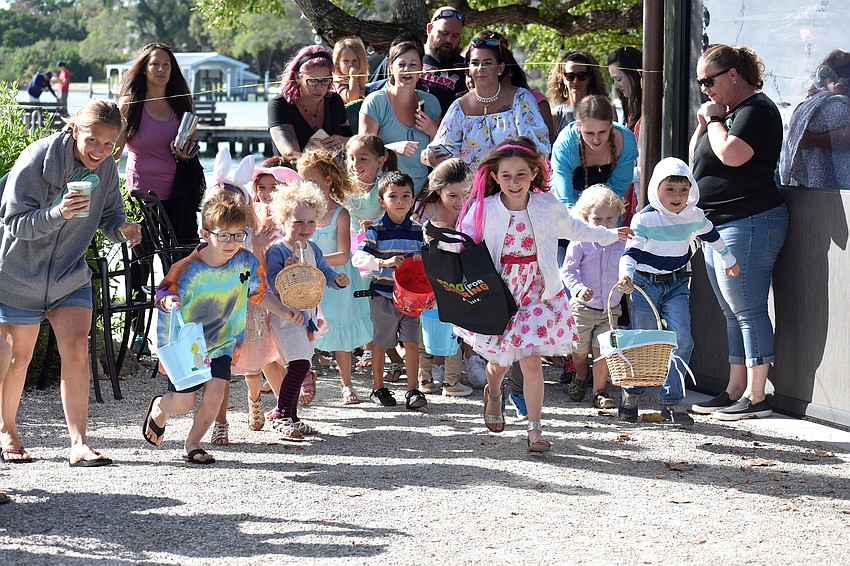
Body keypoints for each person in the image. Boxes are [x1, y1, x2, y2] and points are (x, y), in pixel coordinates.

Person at [455, 137, 632, 452]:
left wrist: (608, 234)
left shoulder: (546, 205)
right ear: (494, 176)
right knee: (499, 362)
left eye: (521, 174)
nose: (514, 182)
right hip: (501, 293)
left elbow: (575, 229)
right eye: (506, 175)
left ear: (534, 173)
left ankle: (534, 431)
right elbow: (462, 243)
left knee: (532, 361)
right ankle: (494, 390)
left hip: (538, 291)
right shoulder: (484, 209)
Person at [0, 100, 142, 467]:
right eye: (94, 140)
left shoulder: (107, 166)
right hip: (17, 274)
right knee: (18, 359)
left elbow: (110, 214)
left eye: (109, 145)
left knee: (79, 345)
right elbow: (14, 222)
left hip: (68, 274)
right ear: (75, 130)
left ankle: (79, 444)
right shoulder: (37, 159)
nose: (100, 151)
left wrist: (122, 230)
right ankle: (8, 432)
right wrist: (57, 214)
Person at [145, 193, 302, 463]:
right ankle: (160, 407)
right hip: (187, 344)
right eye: (224, 235)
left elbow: (260, 293)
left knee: (215, 394)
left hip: (223, 342)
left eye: (238, 235)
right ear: (205, 233)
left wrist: (285, 312)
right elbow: (162, 292)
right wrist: (169, 300)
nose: (231, 243)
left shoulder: (246, 262)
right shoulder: (188, 268)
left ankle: (193, 444)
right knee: (182, 403)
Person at [689, 44, 789, 421]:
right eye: (700, 82)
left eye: (708, 80)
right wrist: (705, 124)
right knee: (732, 312)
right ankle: (734, 390)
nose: (704, 89)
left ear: (733, 74)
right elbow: (695, 160)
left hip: (749, 220)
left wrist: (714, 122)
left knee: (747, 309)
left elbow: (732, 155)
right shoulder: (725, 115)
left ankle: (757, 395)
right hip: (720, 224)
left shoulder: (756, 110)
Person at [617, 157, 739, 425]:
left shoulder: (694, 215)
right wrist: (625, 276)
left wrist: (729, 259)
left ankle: (672, 402)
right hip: (644, 284)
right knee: (644, 341)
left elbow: (711, 235)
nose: (677, 196)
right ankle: (632, 393)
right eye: (669, 189)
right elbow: (630, 254)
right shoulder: (645, 219)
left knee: (682, 339)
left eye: (684, 190)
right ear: (655, 189)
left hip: (677, 284)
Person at [265, 180, 350, 438]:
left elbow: (322, 272)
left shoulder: (312, 248)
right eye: (298, 222)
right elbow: (270, 282)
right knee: (300, 366)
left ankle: (291, 416)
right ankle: (282, 414)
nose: (305, 228)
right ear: (283, 220)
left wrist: (337, 280)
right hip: (285, 316)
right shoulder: (277, 250)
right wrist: (284, 270)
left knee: (300, 365)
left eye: (311, 222)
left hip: (307, 317)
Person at [300, 147, 374, 404]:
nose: (306, 186)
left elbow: (344, 255)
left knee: (340, 329)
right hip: (311, 280)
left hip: (339, 280)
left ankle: (346, 384)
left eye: (312, 181)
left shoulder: (340, 213)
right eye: (304, 181)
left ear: (328, 180)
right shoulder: (302, 214)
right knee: (306, 328)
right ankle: (303, 376)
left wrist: (312, 261)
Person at [352, 171, 426, 409]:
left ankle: (413, 390)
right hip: (382, 295)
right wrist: (383, 263)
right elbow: (359, 258)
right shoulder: (376, 230)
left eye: (406, 196)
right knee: (381, 343)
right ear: (382, 201)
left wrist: (421, 258)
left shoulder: (418, 230)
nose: (400, 201)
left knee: (411, 342)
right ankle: (378, 388)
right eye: (393, 196)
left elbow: (429, 259)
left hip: (412, 298)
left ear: (413, 200)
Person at [117, 42, 200, 245]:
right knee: (140, 264)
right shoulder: (130, 103)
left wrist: (183, 154)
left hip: (178, 194)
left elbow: (193, 145)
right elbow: (114, 154)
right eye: (155, 64)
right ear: (144, 69)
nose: (161, 69)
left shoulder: (181, 103)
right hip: (140, 196)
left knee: (180, 261)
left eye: (166, 64)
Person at [427, 36, 551, 170]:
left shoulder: (521, 98)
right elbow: (443, 148)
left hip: (514, 185)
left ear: (500, 68)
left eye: (487, 63)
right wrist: (433, 157)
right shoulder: (459, 107)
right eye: (475, 63)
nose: (480, 68)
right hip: (470, 188)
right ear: (468, 69)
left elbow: (539, 146)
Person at [412, 158, 476, 396]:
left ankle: (456, 372)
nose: (460, 202)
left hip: (462, 275)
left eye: (465, 194)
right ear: (438, 190)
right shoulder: (422, 210)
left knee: (456, 325)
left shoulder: (473, 207)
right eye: (452, 196)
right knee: (430, 325)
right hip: (431, 278)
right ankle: (429, 374)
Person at [561, 185, 627, 409]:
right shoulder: (580, 241)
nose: (604, 224)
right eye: (597, 219)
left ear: (618, 217)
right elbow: (568, 270)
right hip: (582, 307)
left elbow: (629, 267)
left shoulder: (622, 242)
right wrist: (578, 288)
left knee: (603, 351)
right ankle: (581, 376)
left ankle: (599, 391)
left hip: (610, 308)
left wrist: (627, 281)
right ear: (585, 218)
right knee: (579, 351)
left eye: (610, 218)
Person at [360, 38, 441, 193]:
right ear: (391, 67)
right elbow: (362, 151)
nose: (407, 69)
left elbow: (441, 152)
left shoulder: (431, 103)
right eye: (401, 64)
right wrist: (391, 149)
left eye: (413, 65)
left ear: (421, 69)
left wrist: (432, 130)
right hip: (384, 191)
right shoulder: (376, 101)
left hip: (421, 192)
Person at [468, 30, 557, 149]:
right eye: (475, 63)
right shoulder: (463, 105)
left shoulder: (529, 99)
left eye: (489, 63)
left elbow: (547, 143)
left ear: (505, 69)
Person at [780, 49, 850, 189]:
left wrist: (811, 139)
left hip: (811, 187)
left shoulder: (809, 107)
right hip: (832, 189)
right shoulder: (835, 106)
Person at [552, 95, 637, 209]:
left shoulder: (625, 140)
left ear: (611, 125)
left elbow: (617, 190)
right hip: (571, 204)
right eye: (589, 133)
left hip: (608, 205)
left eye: (602, 132)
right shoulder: (565, 144)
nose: (596, 139)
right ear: (578, 127)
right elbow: (564, 199)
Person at [268, 45, 352, 157]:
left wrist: (346, 142)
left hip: (331, 172)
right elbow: (291, 155)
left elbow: (350, 137)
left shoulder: (334, 101)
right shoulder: (279, 105)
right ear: (298, 77)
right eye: (312, 81)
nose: (320, 87)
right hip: (291, 173)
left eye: (325, 80)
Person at [608, 46, 643, 226]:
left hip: (642, 198)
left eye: (619, 79)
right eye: (613, 80)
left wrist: (618, 174)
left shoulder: (651, 113)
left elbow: (647, 165)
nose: (616, 86)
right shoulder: (632, 111)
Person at [546, 51, 608, 135]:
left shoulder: (605, 110)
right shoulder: (555, 115)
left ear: (589, 78)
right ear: (562, 78)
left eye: (581, 76)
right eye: (570, 76)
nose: (575, 81)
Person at [420, 6, 467, 114]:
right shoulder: (404, 58)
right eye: (444, 33)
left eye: (455, 36)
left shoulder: (465, 68)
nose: (449, 40)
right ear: (429, 29)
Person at [333, 37, 369, 134]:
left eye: (354, 61)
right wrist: (353, 78)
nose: (351, 64)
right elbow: (351, 99)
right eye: (346, 61)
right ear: (337, 64)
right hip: (344, 126)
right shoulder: (339, 82)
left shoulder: (358, 81)